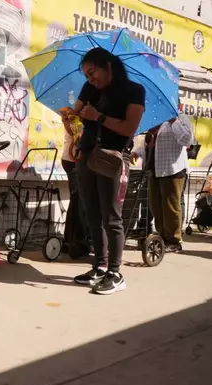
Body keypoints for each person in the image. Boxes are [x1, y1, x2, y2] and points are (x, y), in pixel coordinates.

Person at [60, 47, 145, 295]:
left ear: (108, 66)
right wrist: (70, 121)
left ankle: (116, 273)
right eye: (86, 75)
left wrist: (98, 117)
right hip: (85, 155)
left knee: (111, 216)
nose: (90, 79)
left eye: (92, 72)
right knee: (92, 215)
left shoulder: (134, 91)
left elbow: (130, 127)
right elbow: (77, 119)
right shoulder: (89, 90)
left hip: (112, 157)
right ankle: (99, 265)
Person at [144, 114, 194, 252]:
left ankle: (174, 240)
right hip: (155, 168)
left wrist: (174, 122)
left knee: (170, 206)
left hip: (173, 169)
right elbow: (149, 141)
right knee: (156, 205)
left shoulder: (182, 119)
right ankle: (162, 237)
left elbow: (187, 140)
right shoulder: (158, 120)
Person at [59, 109, 91, 258]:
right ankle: (76, 241)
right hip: (73, 160)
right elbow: (77, 139)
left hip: (75, 160)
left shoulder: (80, 116)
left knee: (77, 200)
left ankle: (71, 240)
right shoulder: (74, 116)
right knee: (79, 200)